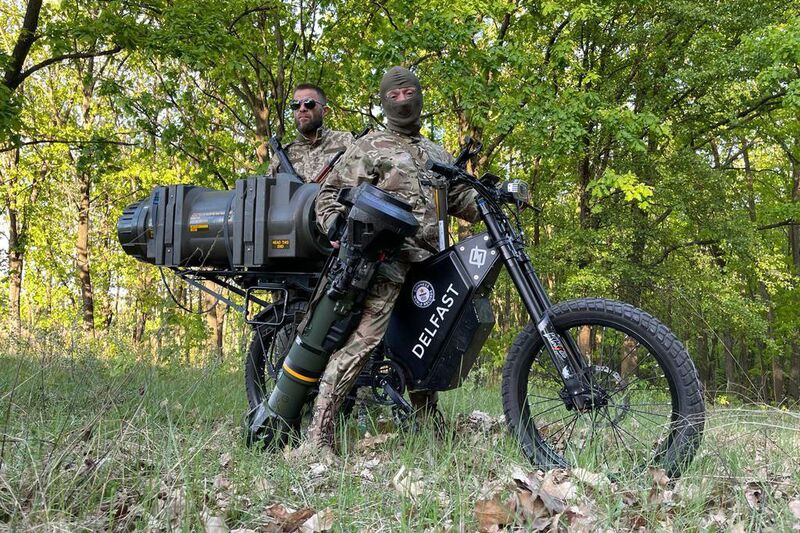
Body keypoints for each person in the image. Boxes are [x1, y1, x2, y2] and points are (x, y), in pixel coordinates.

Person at [306, 66, 481, 455]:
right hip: (387, 264)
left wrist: (490, 203)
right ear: (384, 102)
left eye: (409, 92)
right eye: (394, 95)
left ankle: (426, 424)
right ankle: (319, 433)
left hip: (434, 262)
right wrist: (336, 226)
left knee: (429, 341)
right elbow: (329, 194)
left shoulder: (437, 152)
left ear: (420, 95)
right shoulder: (369, 147)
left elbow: (459, 199)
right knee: (366, 342)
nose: (403, 100)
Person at [269, 83, 354, 181]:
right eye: (295, 105)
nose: (302, 109)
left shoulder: (348, 142)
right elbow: (266, 192)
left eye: (309, 103)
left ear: (324, 111)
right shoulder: (281, 155)